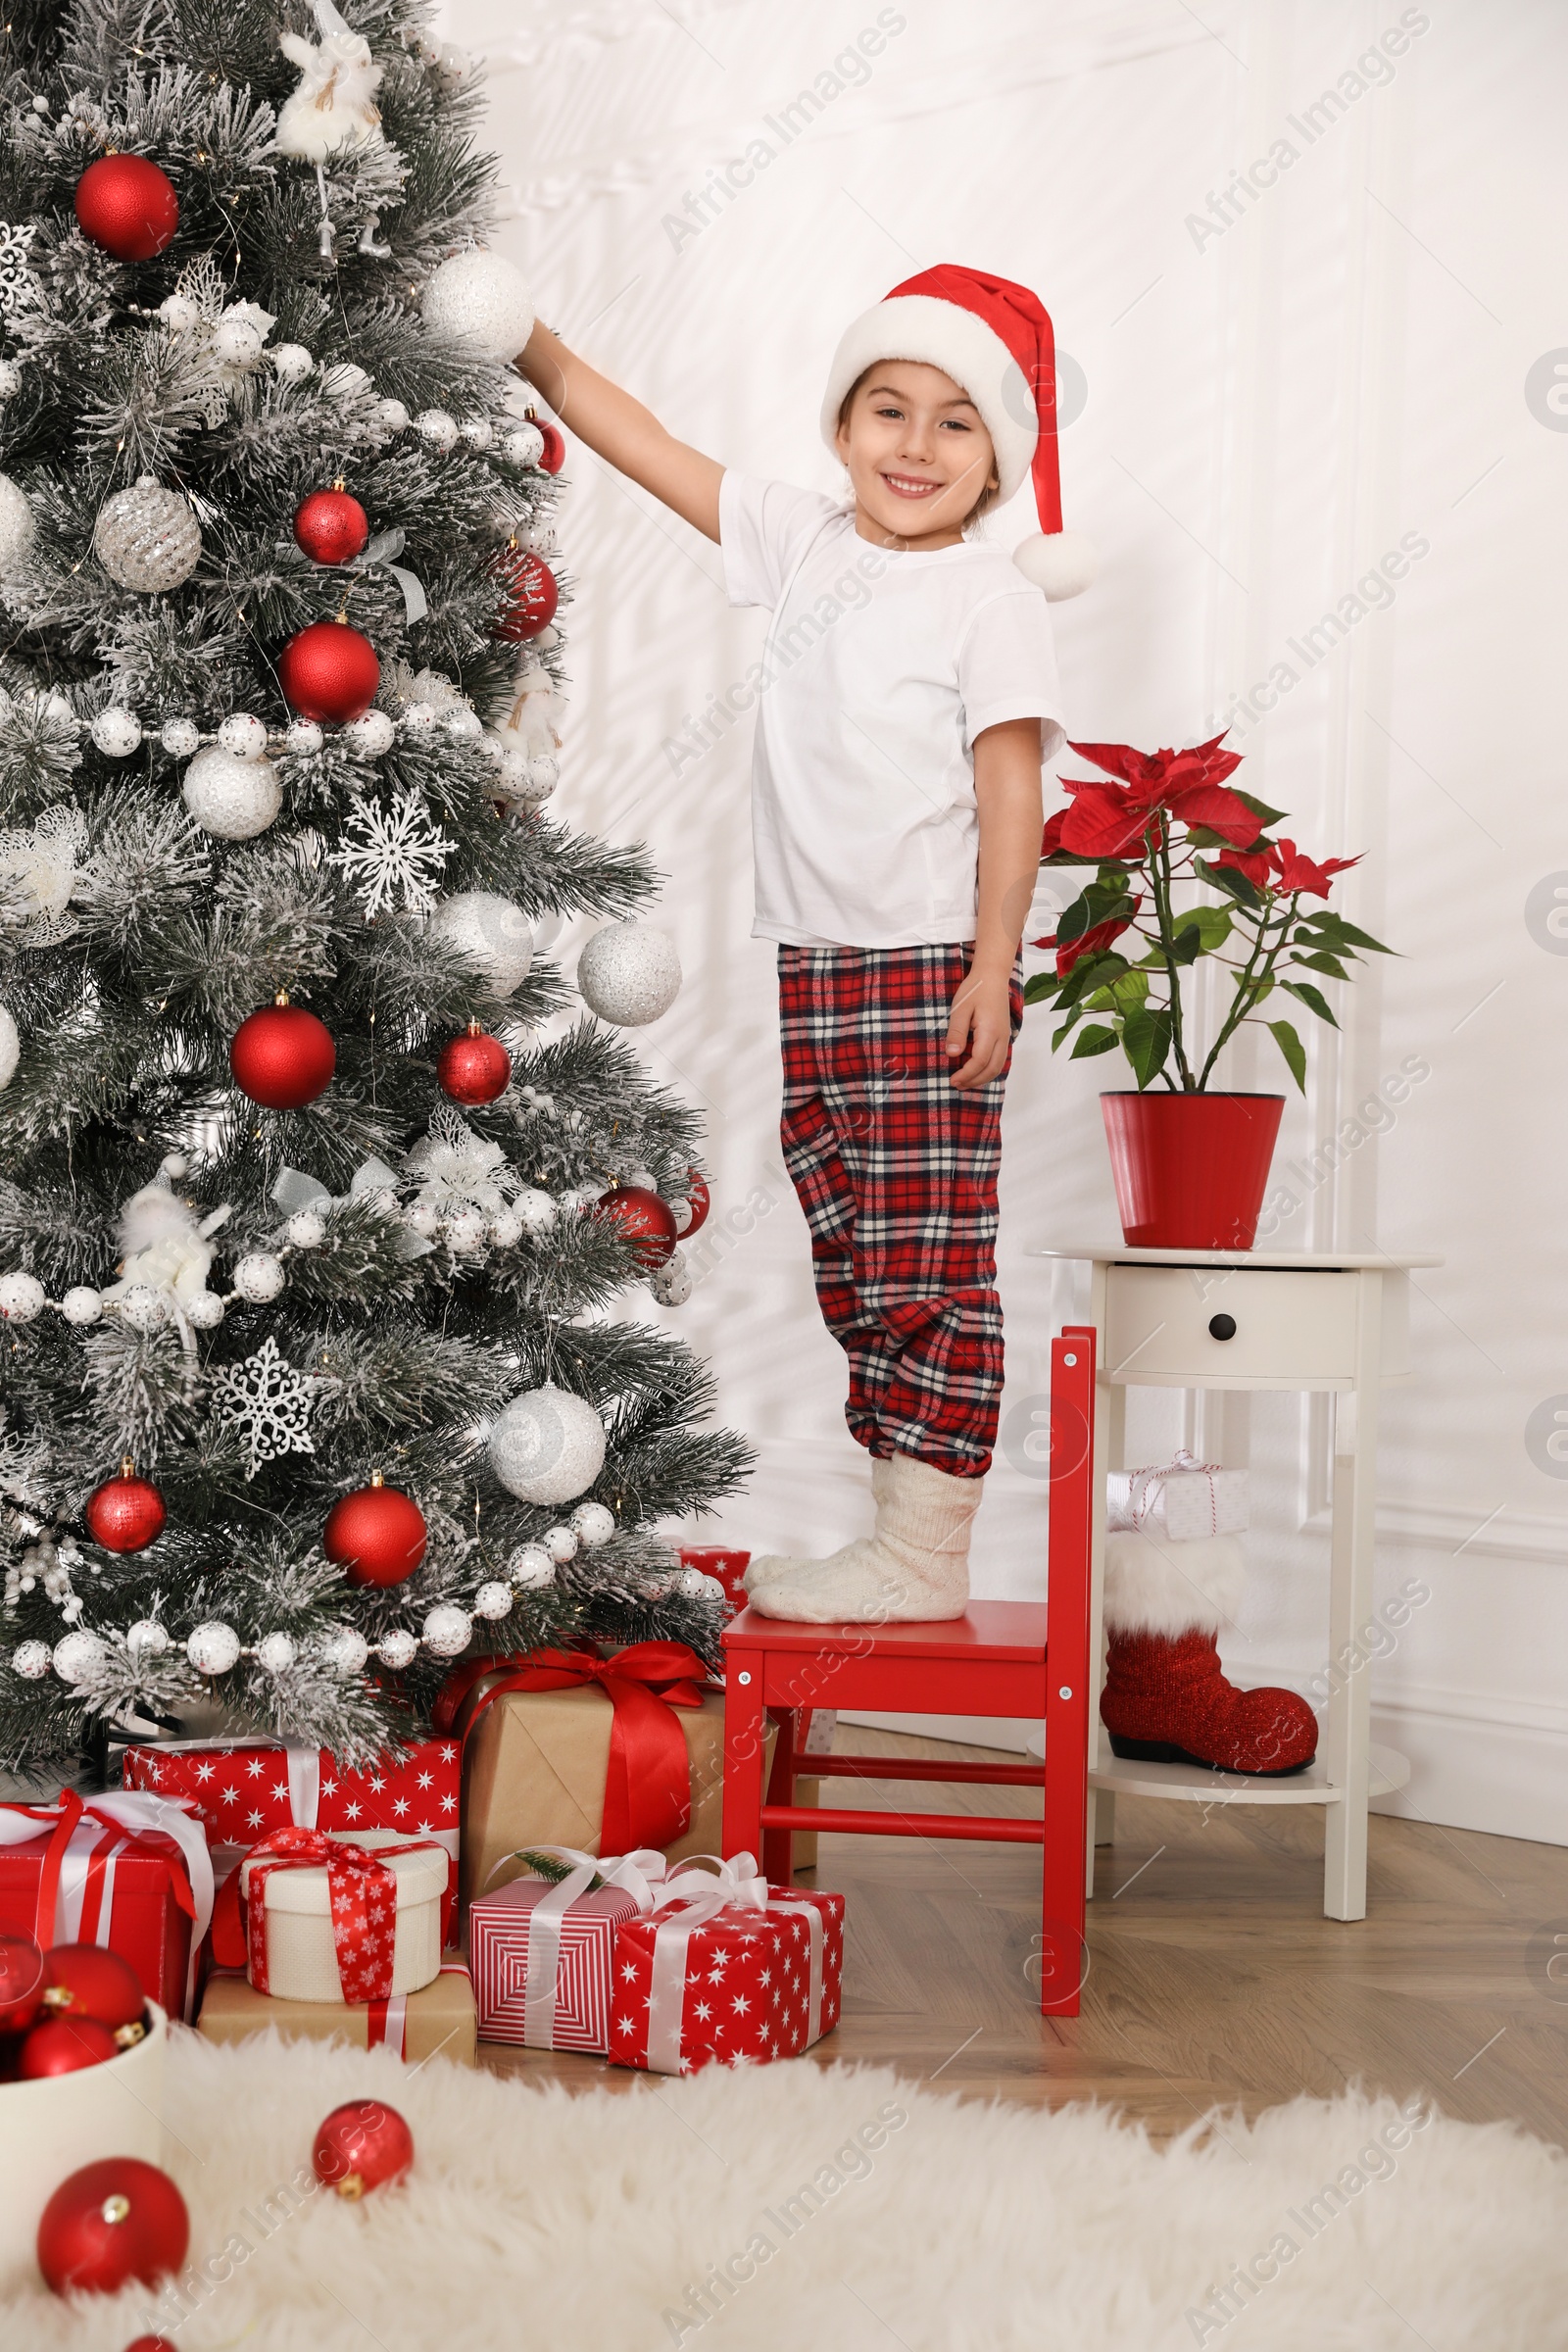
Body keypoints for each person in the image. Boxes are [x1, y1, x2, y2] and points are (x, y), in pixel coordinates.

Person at [516, 266, 1091, 1622]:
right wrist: (536, 352)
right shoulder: (801, 540)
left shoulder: (989, 599)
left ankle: (927, 1553)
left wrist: (994, 967)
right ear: (841, 432)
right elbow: (651, 444)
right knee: (847, 1234)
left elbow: (1013, 790)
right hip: (818, 961)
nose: (914, 445)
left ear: (997, 461)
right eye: (886, 409)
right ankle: (898, 1532)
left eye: (956, 423)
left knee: (926, 1255)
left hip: (930, 961)